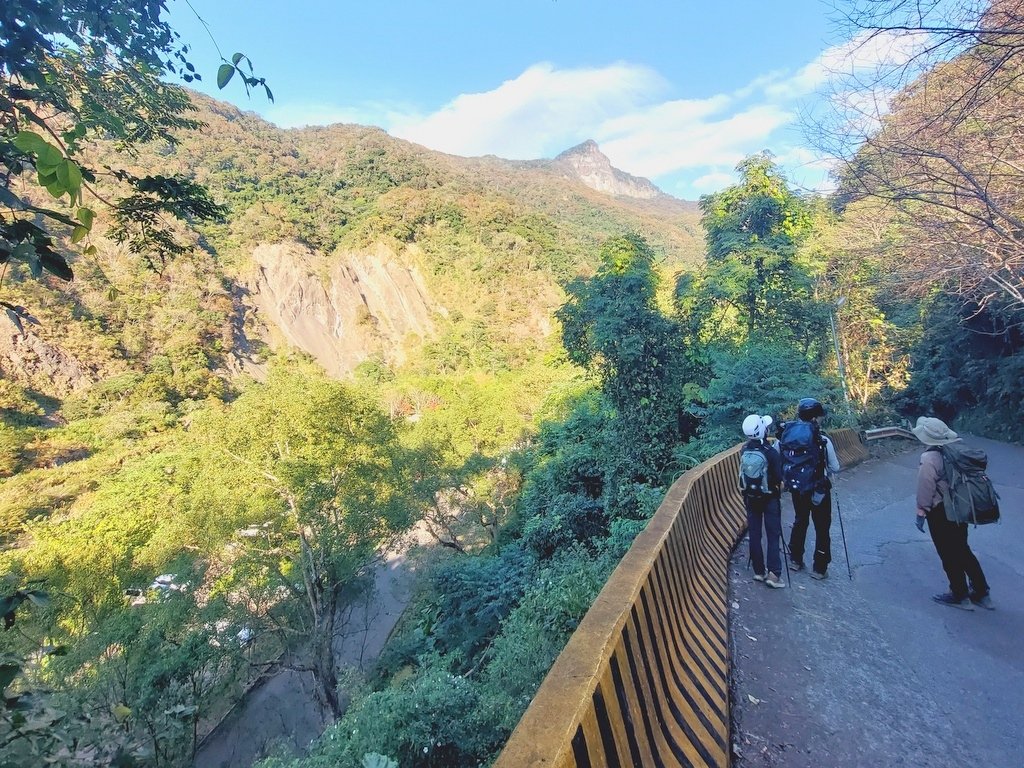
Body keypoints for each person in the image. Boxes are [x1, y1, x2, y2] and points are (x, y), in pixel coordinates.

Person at [912, 416, 993, 610]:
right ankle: (982, 593)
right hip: (962, 506)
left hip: (941, 511)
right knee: (962, 548)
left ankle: (960, 595)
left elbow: (926, 487)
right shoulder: (956, 450)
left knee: (947, 553)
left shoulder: (929, 457)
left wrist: (921, 511)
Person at [781, 398, 841, 580]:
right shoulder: (822, 440)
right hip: (819, 490)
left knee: (800, 520)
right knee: (822, 527)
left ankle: (795, 560)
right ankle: (819, 568)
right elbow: (835, 467)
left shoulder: (788, 435)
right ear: (815, 418)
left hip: (798, 489)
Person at [739, 414, 785, 588]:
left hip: (751, 497)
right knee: (773, 535)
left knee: (755, 534)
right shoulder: (771, 452)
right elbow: (779, 477)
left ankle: (759, 571)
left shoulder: (744, 450)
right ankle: (774, 574)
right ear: (762, 430)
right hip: (770, 497)